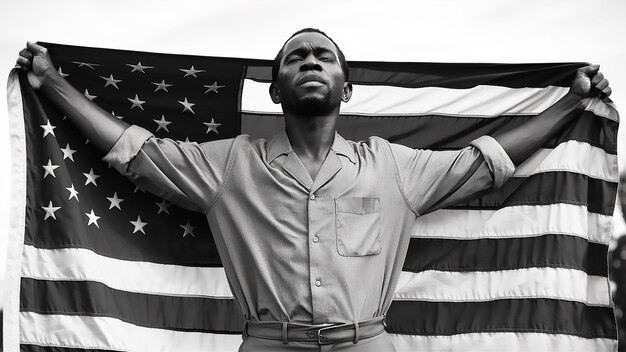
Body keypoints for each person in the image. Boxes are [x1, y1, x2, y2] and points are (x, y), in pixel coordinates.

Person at [16, 28, 611, 351]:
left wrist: (572, 105)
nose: (309, 61)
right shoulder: (230, 166)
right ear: (275, 90)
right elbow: (136, 155)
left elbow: (489, 162)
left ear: (346, 89)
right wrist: (52, 83)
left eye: (324, 56)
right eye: (295, 57)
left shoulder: (391, 167)